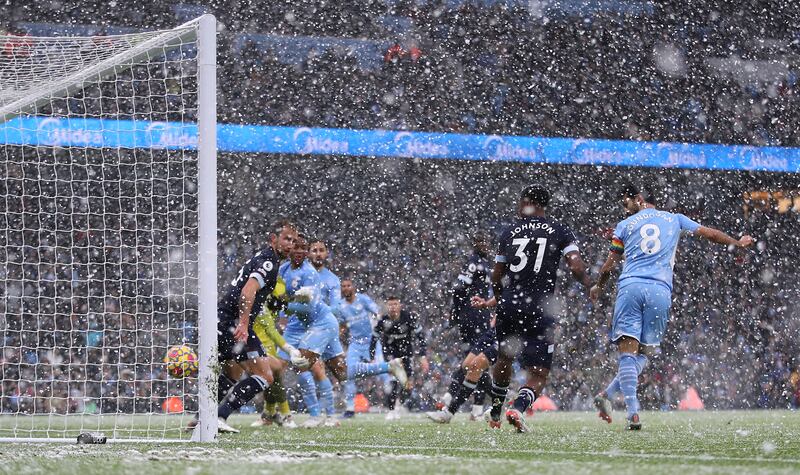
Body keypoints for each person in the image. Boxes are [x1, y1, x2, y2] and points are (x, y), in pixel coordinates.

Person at [590, 183, 753, 430]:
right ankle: (609, 397)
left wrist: (598, 287)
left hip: (631, 286)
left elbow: (609, 265)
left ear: (640, 199)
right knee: (643, 353)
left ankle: (631, 411)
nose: (625, 208)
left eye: (626, 202)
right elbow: (709, 234)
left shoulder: (625, 226)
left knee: (627, 351)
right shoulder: (674, 219)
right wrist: (737, 243)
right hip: (660, 290)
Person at [486, 185, 592, 433]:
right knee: (539, 373)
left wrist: (501, 300)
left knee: (504, 358)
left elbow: (496, 276)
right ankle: (518, 407)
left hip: (511, 304)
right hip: (539, 307)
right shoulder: (559, 230)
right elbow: (576, 267)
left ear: (527, 202)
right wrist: (590, 284)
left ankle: (495, 411)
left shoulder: (509, 231)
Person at [214, 220, 308, 434]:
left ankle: (202, 418)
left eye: (293, 241)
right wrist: (245, 324)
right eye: (286, 239)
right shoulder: (269, 262)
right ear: (273, 239)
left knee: (232, 370)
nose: (291, 244)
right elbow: (248, 291)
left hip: (223, 319)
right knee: (265, 375)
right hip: (232, 323)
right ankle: (219, 415)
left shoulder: (264, 258)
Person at [427, 231, 497, 423]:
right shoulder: (476, 262)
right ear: (475, 244)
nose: (485, 245)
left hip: (475, 316)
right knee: (474, 364)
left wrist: (458, 313)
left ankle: (460, 403)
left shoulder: (482, 263)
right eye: (480, 241)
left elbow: (459, 289)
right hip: (475, 317)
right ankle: (480, 406)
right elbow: (459, 289)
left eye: (486, 241)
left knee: (474, 364)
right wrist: (458, 313)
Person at [338, 278, 407, 418]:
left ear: (353, 287)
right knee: (349, 373)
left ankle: (394, 406)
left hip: (371, 342)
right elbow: (342, 325)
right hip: (355, 344)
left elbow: (377, 312)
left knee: (384, 374)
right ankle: (350, 409)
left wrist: (378, 320)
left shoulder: (363, 299)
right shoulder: (340, 306)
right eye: (343, 286)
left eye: (348, 285)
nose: (346, 288)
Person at [249, 276, 297, 429]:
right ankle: (270, 414)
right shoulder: (255, 299)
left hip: (264, 347)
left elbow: (271, 330)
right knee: (268, 381)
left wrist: (288, 348)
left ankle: (285, 414)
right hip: (253, 345)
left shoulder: (262, 302)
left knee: (273, 379)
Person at [372, 296, 428, 420]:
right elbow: (374, 337)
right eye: (390, 305)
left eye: (395, 304)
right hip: (390, 352)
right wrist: (372, 355)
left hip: (406, 352)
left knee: (407, 385)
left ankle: (398, 404)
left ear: (400, 305)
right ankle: (391, 409)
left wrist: (422, 355)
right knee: (395, 378)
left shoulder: (409, 318)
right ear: (387, 306)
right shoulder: (383, 321)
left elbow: (421, 336)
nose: (392, 307)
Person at [307, 239, 343, 421]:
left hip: (325, 328)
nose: (318, 254)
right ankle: (317, 415)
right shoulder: (301, 273)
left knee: (340, 371)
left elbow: (336, 307)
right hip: (304, 328)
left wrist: (316, 311)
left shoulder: (332, 279)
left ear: (327, 254)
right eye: (314, 250)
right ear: (308, 253)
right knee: (307, 370)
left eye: (321, 250)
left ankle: (328, 415)